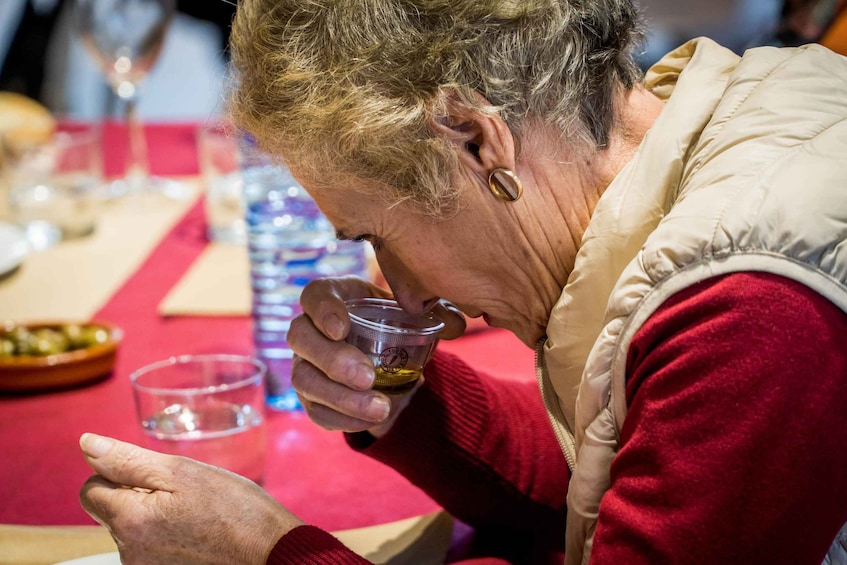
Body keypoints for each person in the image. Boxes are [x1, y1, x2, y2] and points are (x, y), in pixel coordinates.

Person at [77, 0, 847, 563]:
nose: (406, 297)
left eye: (376, 233)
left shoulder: (749, 309)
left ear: (478, 140)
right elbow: (615, 477)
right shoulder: (701, 123)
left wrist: (268, 554)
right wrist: (408, 401)